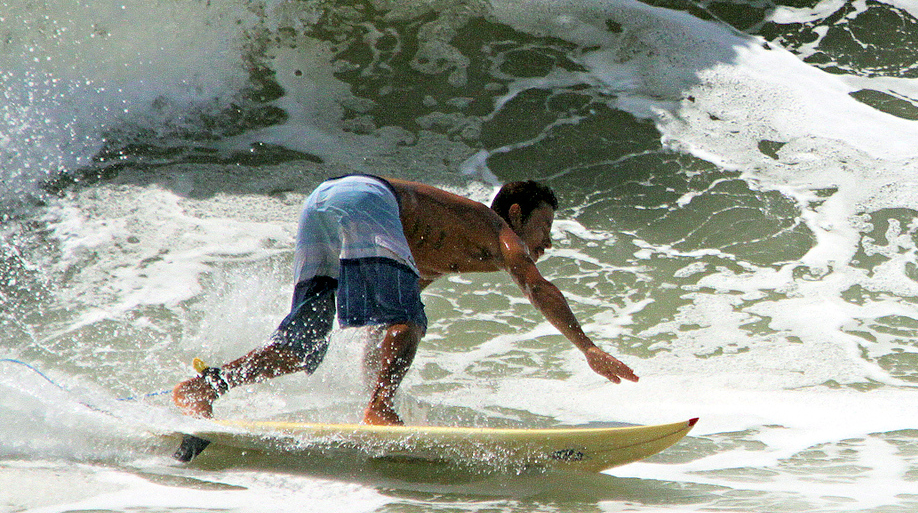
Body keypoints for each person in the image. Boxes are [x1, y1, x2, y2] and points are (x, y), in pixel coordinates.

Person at [172, 175, 637, 425]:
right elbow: (538, 287)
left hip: (322, 203)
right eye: (545, 229)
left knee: (303, 346)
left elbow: (385, 333)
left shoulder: (435, 251)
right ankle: (380, 411)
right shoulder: (498, 232)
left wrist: (373, 375)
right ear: (516, 214)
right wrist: (588, 347)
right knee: (408, 320)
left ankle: (205, 387)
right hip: (367, 195)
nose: (547, 244)